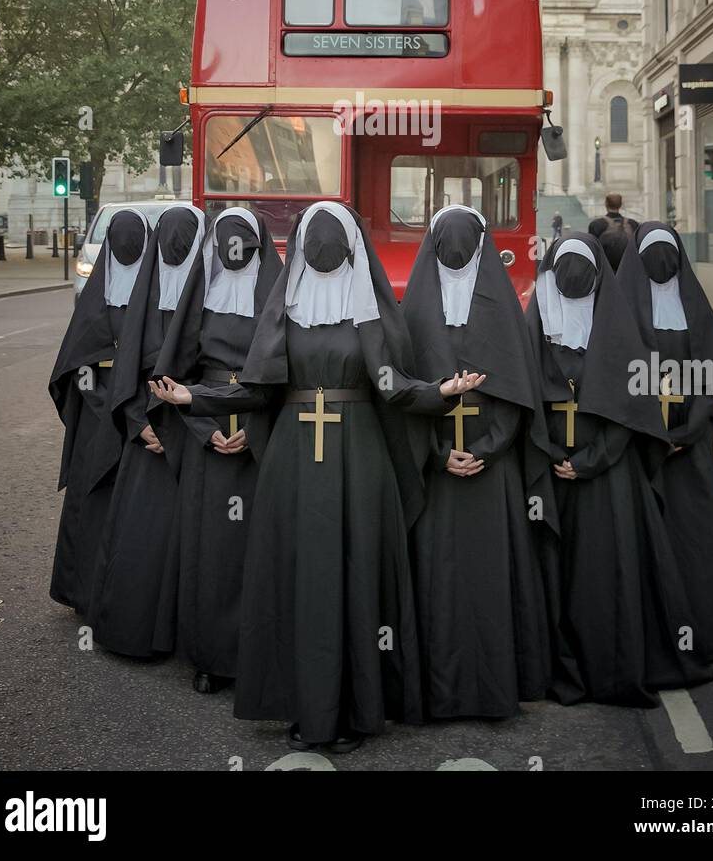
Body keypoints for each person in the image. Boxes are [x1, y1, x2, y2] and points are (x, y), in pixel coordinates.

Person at [229, 201, 486, 752]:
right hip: (295, 461)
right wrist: (193, 398)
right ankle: (303, 704)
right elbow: (257, 388)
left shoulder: (370, 310)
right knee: (300, 577)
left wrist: (439, 394)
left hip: (361, 458)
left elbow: (392, 387)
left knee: (356, 574)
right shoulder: (286, 308)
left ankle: (354, 708)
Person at [525, 234, 713, 706]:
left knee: (605, 575)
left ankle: (611, 666)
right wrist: (551, 455)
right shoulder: (534, 333)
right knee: (555, 574)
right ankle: (555, 665)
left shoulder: (619, 330)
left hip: (607, 478)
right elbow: (522, 403)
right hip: (550, 476)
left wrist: (589, 461)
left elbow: (633, 410)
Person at [401, 204, 557, 719]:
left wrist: (486, 450)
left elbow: (518, 395)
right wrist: (439, 453)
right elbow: (404, 398)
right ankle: (437, 690)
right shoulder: (414, 313)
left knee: (489, 579)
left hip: (491, 470)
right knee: (437, 583)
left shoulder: (501, 309)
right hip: (438, 472)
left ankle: (493, 688)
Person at [147, 207, 282, 693]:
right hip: (206, 436)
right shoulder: (200, 296)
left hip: (256, 438)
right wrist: (204, 431)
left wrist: (252, 426)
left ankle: (254, 652)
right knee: (210, 552)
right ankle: (209, 656)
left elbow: (284, 380)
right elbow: (174, 374)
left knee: (254, 551)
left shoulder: (277, 297)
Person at [616, 222, 713, 661]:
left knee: (696, 540)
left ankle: (706, 632)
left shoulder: (694, 306)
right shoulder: (623, 310)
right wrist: (654, 433)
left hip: (691, 454)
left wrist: (687, 432)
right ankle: (655, 637)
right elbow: (615, 381)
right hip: (641, 450)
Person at [87, 205, 204, 658]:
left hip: (191, 434)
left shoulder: (213, 297)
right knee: (141, 535)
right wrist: (139, 423)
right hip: (149, 439)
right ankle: (134, 629)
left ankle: (186, 636)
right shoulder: (145, 300)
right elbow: (126, 374)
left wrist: (182, 424)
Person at [49, 207, 150, 616]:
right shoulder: (150, 293)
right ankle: (89, 592)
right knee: (101, 500)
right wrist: (126, 408)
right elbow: (77, 365)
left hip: (111, 414)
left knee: (105, 500)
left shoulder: (105, 295)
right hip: (122, 414)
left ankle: (95, 593)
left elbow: (76, 367)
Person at [588, 192, 640, 273]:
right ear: (621, 204)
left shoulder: (596, 225)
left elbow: (592, 250)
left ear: (606, 204)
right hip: (628, 270)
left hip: (606, 272)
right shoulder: (633, 224)